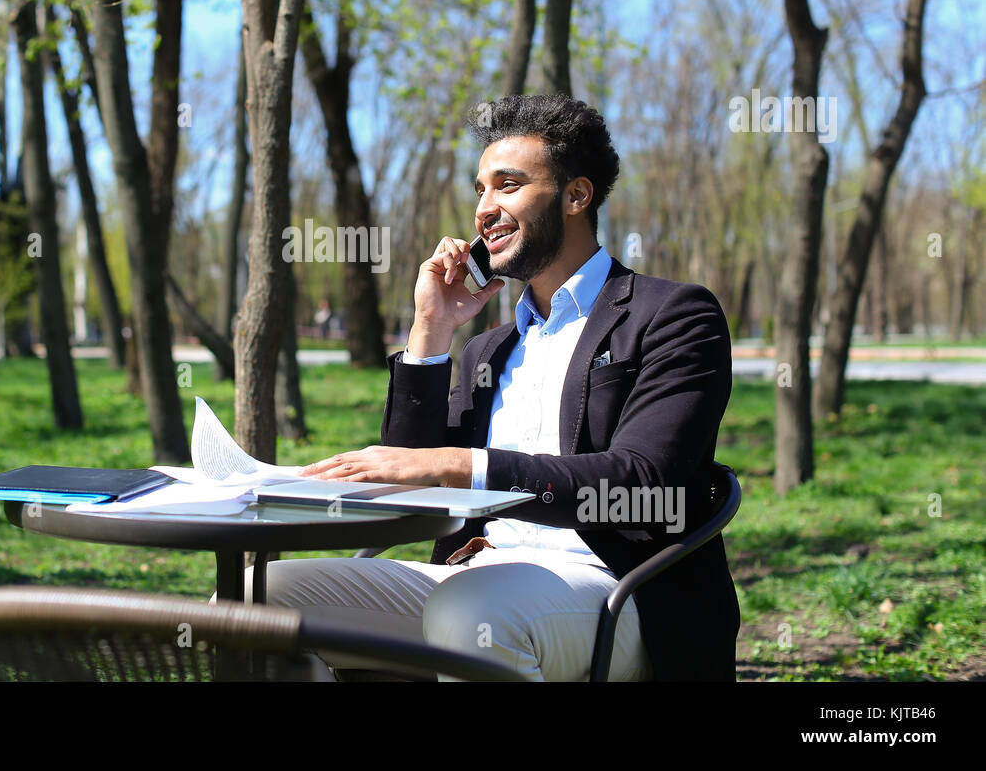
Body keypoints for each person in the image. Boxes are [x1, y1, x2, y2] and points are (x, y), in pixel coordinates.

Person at [252, 92, 740, 681]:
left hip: (619, 589)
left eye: (507, 185)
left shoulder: (672, 315)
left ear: (575, 195)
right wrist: (431, 329)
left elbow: (644, 481)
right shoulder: (487, 349)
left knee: (472, 612)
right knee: (259, 597)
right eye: (480, 189)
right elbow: (411, 475)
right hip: (474, 576)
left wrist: (460, 464)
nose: (484, 209)